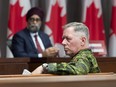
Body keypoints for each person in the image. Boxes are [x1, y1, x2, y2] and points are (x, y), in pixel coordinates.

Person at [31, 22, 100, 75]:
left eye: (68, 39)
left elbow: (78, 70)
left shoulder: (84, 57)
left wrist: (45, 67)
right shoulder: (82, 55)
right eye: (63, 39)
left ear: (82, 41)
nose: (63, 42)